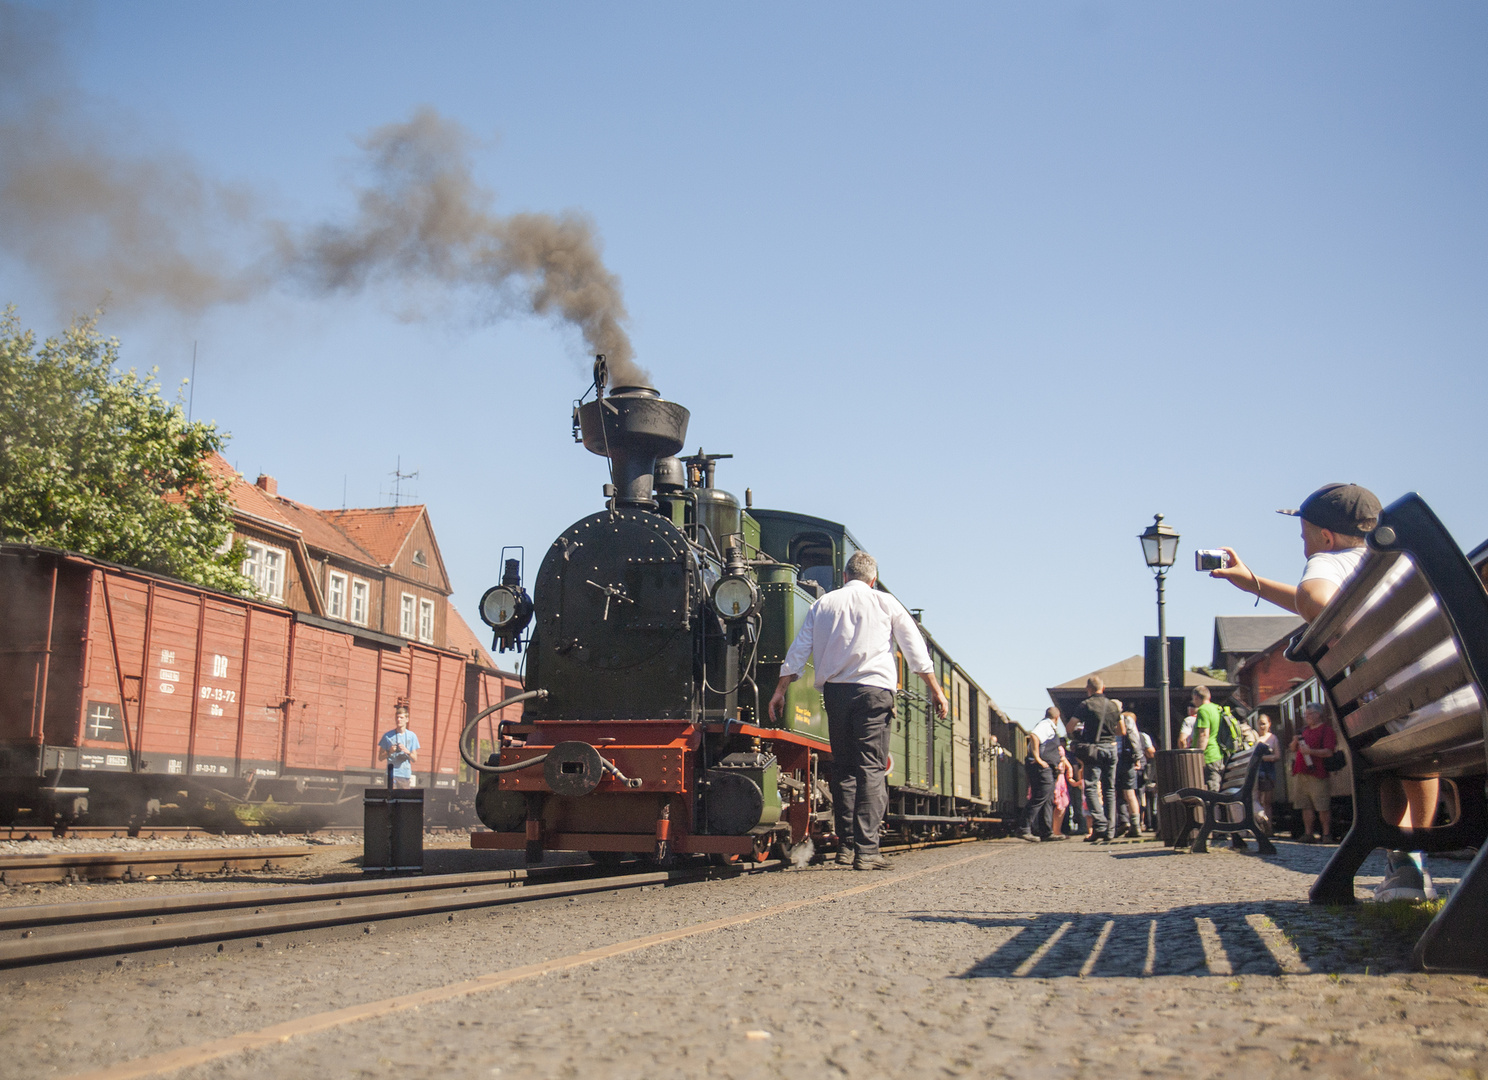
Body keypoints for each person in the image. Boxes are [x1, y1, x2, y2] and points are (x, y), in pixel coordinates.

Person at [1211, 482, 1436, 900]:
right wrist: (1254, 583)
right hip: (1461, 707)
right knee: (1417, 744)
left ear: (1326, 538)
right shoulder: (1407, 560)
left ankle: (1406, 864)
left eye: (1304, 537)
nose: (1303, 545)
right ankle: (1414, 856)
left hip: (1404, 720)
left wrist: (1358, 633)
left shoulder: (1332, 563)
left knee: (1387, 748)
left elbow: (1314, 597)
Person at [770, 551, 949, 871]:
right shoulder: (886, 603)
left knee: (845, 770)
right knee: (871, 769)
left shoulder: (823, 604)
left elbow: (798, 650)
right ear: (873, 579)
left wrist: (780, 691)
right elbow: (915, 650)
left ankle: (847, 846)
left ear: (843, 577)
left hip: (837, 696)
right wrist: (936, 691)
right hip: (874, 694)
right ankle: (867, 851)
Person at [1068, 676, 1120, 842]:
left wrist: (1080, 734)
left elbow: (1070, 727)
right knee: (1109, 789)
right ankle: (1110, 830)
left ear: (1088, 689)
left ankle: (1100, 824)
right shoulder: (1113, 705)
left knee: (1090, 787)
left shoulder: (1086, 705)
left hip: (1094, 750)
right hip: (1111, 748)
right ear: (1103, 688)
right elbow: (1121, 731)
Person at [1018, 708, 1067, 842]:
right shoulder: (1046, 725)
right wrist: (1038, 758)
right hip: (1041, 767)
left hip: (1047, 768)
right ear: (1057, 717)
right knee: (1040, 795)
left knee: (1048, 798)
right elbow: (1034, 736)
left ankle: (1046, 831)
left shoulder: (1049, 727)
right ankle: (1024, 828)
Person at [1290, 702, 1336, 842]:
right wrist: (1295, 741)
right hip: (1301, 772)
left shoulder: (1326, 730)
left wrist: (1311, 751)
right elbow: (1293, 749)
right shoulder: (1303, 731)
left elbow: (1328, 752)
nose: (1307, 717)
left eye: (1310, 714)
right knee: (1306, 805)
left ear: (1318, 714)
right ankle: (1308, 833)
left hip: (1317, 772)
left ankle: (1326, 834)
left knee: (1322, 805)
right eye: (1306, 715)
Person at [1191, 686, 1226, 792]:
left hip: (1208, 756)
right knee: (1216, 787)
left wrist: (1198, 755)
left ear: (1196, 697)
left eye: (1193, 698)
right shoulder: (1216, 708)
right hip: (1218, 754)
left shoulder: (1203, 710)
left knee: (1211, 790)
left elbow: (1204, 735)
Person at [377, 702, 420, 789]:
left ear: (407, 719)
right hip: (391, 774)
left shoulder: (412, 736)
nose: (399, 720)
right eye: (397, 717)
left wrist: (407, 752)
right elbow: (380, 758)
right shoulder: (387, 736)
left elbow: (415, 759)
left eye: (401, 717)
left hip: (405, 775)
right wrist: (390, 751)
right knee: (391, 801)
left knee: (403, 801)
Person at [1254, 713, 1281, 833]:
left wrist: (1263, 758)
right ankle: (1259, 827)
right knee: (1258, 800)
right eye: (1260, 724)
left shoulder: (1273, 738)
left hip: (1268, 770)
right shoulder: (1255, 738)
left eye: (1264, 723)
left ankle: (1268, 827)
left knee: (1267, 801)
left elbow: (1277, 755)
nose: (1262, 726)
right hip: (1256, 771)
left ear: (1269, 724)